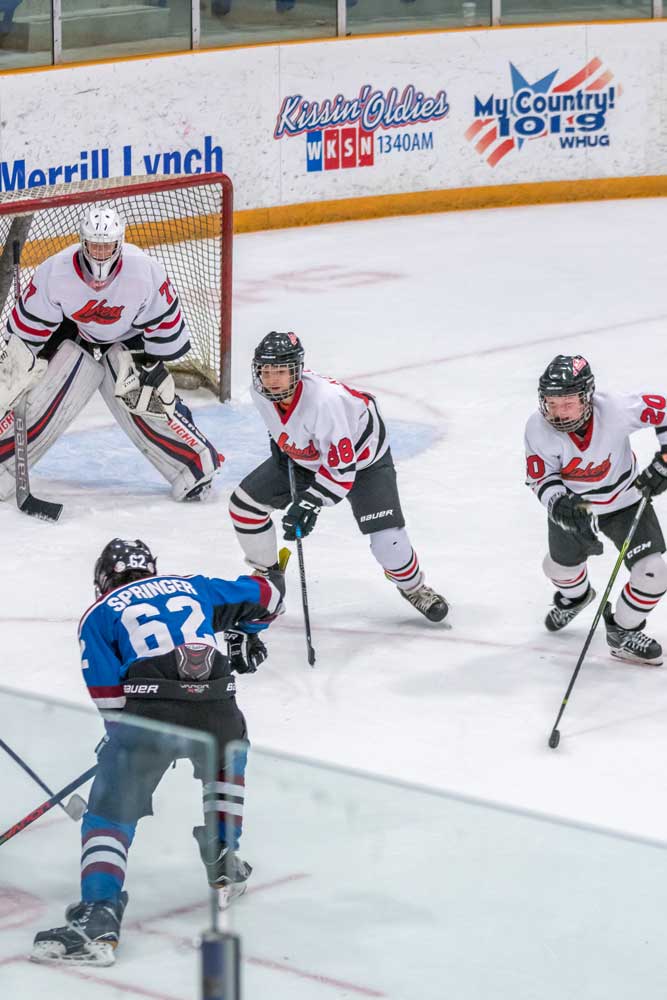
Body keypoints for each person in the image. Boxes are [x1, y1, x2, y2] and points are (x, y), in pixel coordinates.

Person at [31, 537, 284, 966]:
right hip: (217, 703)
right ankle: (223, 850)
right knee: (227, 756)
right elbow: (271, 595)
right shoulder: (192, 587)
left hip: (151, 707)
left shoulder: (99, 613)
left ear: (102, 579)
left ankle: (99, 916)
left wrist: (119, 744)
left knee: (108, 813)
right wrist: (246, 634)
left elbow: (110, 698)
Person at [0, 207, 221, 502]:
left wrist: (153, 364)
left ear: (119, 242)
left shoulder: (143, 270)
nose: (101, 252)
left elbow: (164, 318)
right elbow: (30, 326)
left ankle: (193, 468)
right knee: (42, 393)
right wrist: (24, 360)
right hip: (74, 332)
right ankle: (3, 465)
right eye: (95, 245)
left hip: (129, 337)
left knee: (143, 398)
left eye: (107, 245)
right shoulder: (57, 270)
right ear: (83, 242)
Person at [228, 331, 448, 622]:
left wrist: (309, 503)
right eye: (265, 371)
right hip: (305, 458)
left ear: (297, 370)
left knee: (388, 542)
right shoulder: (260, 393)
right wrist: (281, 446)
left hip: (364, 462)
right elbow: (281, 426)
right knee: (244, 507)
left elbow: (341, 472)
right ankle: (269, 579)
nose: (271, 379)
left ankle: (415, 588)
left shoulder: (326, 403)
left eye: (280, 371)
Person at [524, 354, 667, 665]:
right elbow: (540, 477)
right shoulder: (537, 428)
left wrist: (666, 460)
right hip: (578, 507)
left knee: (654, 573)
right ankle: (576, 597)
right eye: (551, 403)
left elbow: (665, 409)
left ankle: (623, 633)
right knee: (557, 569)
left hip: (626, 500)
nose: (558, 412)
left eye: (567, 403)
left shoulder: (614, 409)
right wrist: (557, 503)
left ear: (587, 397)